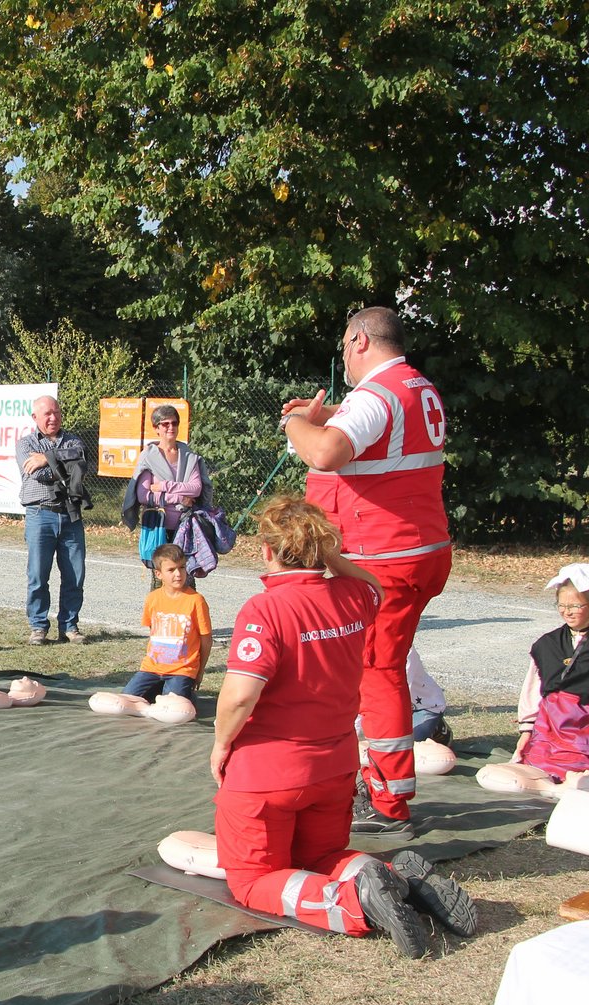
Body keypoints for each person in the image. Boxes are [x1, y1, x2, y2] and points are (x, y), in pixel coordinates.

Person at [211, 494, 476, 958]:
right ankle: (398, 882)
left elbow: (239, 695)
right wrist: (329, 554)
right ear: (322, 548)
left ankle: (353, 901)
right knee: (319, 857)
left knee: (252, 881)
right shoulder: (353, 597)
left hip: (267, 773)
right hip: (334, 768)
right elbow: (372, 584)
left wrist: (220, 744)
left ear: (268, 550)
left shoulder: (264, 609)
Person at [282, 306, 452, 836]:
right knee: (379, 668)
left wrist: (297, 423)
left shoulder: (378, 394)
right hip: (416, 549)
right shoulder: (413, 386)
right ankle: (374, 782)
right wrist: (335, 408)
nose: (344, 359)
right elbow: (385, 430)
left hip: (383, 558)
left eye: (343, 346)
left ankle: (389, 802)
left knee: (377, 674)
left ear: (358, 340)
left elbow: (328, 453)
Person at [510, 563, 589, 789]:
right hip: (549, 726)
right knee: (533, 768)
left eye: (575, 605)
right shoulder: (547, 645)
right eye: (562, 605)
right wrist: (526, 732)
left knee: (577, 775)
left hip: (584, 729)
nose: (567, 611)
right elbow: (532, 689)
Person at [16, 395, 91, 645]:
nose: (53, 418)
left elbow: (79, 463)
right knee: (38, 574)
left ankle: (69, 626)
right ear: (35, 417)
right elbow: (39, 475)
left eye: (56, 412)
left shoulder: (74, 440)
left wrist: (46, 458)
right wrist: (60, 463)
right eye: (47, 413)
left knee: (75, 575)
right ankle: (38, 626)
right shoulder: (25, 444)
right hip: (40, 515)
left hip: (70, 515)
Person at [122, 404, 214, 568]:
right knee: (161, 576)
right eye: (165, 424)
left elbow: (196, 488)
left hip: (186, 526)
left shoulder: (189, 455)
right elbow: (144, 496)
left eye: (174, 423)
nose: (171, 427)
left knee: (186, 576)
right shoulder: (148, 457)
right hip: (159, 527)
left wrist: (164, 486)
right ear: (156, 428)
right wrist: (180, 497)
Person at [121, 543, 212, 702]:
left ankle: (186, 694)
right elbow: (153, 630)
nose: (178, 574)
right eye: (171, 570)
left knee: (173, 708)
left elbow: (206, 639)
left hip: (181, 670)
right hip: (152, 668)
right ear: (158, 574)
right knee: (126, 700)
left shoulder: (196, 600)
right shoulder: (152, 598)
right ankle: (160, 688)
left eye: (182, 567)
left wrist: (200, 670)